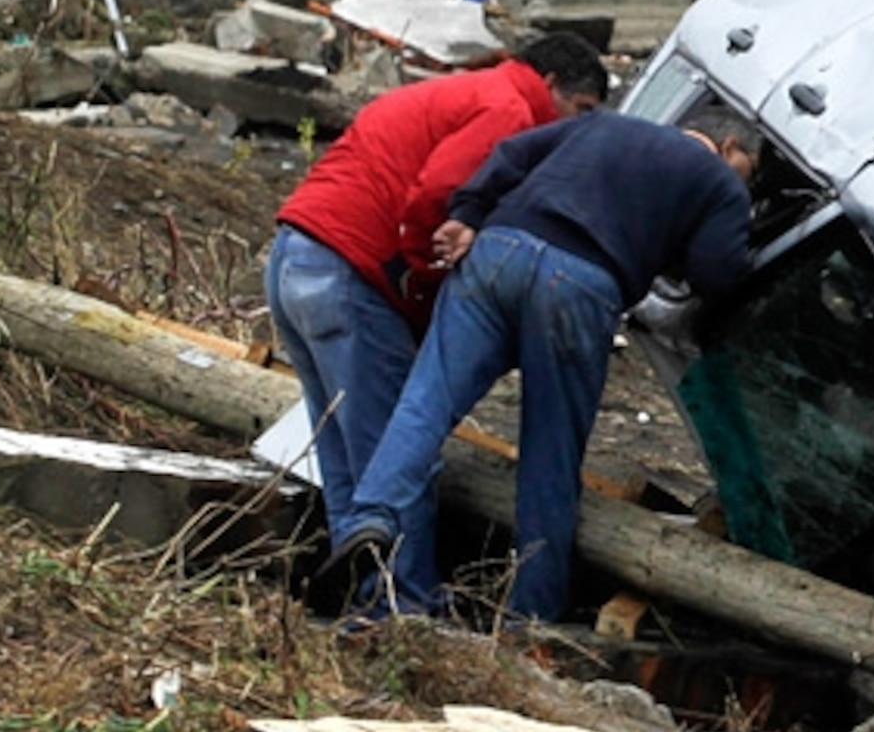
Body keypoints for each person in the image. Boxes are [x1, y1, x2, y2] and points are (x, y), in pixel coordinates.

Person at [328, 108, 760, 620]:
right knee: (550, 453)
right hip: (581, 284)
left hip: (499, 249)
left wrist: (467, 213)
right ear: (731, 146)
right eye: (749, 170)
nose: (744, 182)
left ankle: (370, 515)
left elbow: (510, 154)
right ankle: (530, 614)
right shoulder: (718, 182)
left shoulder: (605, 124)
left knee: (426, 402)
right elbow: (717, 273)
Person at [265, 31, 611, 605]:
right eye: (580, 112)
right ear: (551, 85)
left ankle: (361, 594)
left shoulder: (465, 89)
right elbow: (440, 192)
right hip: (354, 272)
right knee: (395, 457)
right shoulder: (510, 109)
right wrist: (424, 280)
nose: (578, 129)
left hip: (295, 254)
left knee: (346, 457)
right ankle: (401, 606)